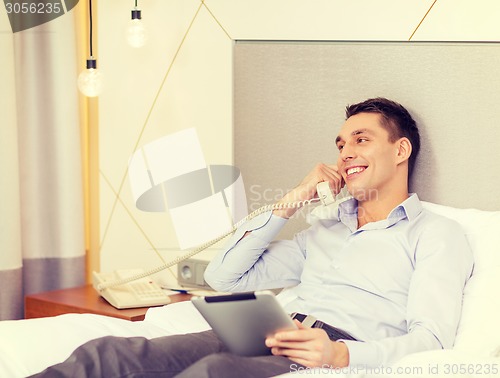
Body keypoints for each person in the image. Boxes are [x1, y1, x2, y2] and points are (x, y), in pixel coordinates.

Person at [31, 98, 473, 377]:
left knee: (212, 373)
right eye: (340, 145)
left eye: (361, 139)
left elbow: (432, 339)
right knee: (109, 354)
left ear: (400, 151)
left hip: (328, 348)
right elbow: (224, 277)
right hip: (267, 330)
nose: (346, 152)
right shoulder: (324, 231)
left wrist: (340, 355)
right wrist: (292, 200)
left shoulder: (436, 234)